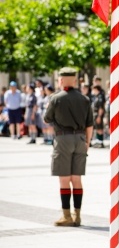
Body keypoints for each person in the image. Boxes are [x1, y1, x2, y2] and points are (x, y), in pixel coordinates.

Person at [44, 67, 93, 227]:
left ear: (63, 80)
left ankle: (66, 215)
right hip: (80, 139)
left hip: (63, 138)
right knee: (77, 179)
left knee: (64, 179)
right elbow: (89, 125)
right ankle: (77, 215)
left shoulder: (56, 98)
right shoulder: (84, 99)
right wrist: (87, 143)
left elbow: (46, 119)